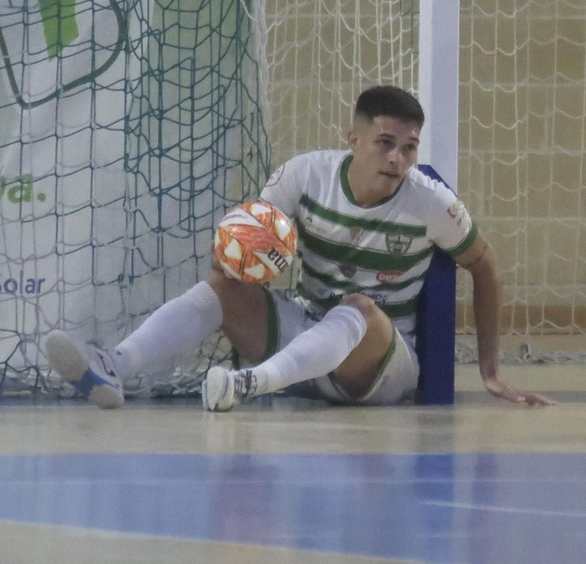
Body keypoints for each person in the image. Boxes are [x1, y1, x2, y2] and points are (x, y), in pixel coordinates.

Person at [42, 85, 553, 411]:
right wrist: (237, 258)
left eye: (409, 147)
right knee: (222, 286)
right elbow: (247, 239)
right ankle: (113, 367)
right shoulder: (305, 175)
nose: (398, 157)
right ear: (353, 139)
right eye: (385, 142)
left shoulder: (430, 203)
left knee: (358, 307)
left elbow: (484, 265)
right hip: (304, 337)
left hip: (377, 365)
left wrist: (490, 372)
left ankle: (248, 385)